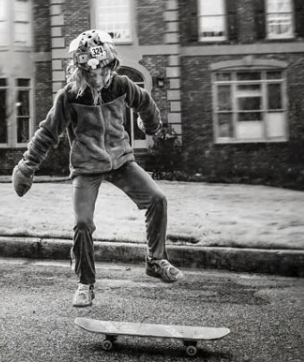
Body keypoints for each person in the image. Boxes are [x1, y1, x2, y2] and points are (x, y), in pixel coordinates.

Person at [11, 29, 183, 307]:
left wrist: (151, 125)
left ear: (111, 65)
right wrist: (27, 165)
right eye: (91, 73)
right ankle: (86, 283)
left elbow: (146, 103)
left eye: (104, 71)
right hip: (86, 167)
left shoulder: (121, 84)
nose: (99, 79)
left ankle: (155, 260)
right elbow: (47, 133)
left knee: (157, 199)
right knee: (82, 223)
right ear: (80, 70)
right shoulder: (69, 96)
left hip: (121, 162)